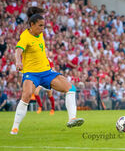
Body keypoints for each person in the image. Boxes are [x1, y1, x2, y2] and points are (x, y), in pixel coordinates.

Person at [10, 7, 84, 135]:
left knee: (70, 88)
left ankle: (72, 118)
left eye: (44, 26)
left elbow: (36, 19)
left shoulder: (39, 33)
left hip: (47, 72)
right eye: (40, 26)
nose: (42, 29)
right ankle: (15, 127)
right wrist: (18, 61)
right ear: (31, 25)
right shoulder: (25, 36)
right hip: (31, 73)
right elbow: (18, 50)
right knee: (26, 95)